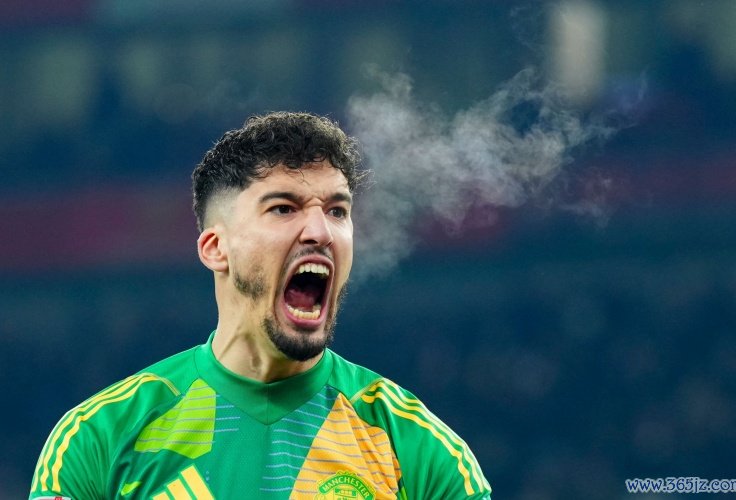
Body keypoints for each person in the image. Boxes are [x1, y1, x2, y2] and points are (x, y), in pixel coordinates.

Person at [29, 112, 492, 499]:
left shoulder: (418, 449)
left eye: (337, 211)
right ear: (216, 248)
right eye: (284, 208)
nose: (321, 232)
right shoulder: (100, 437)